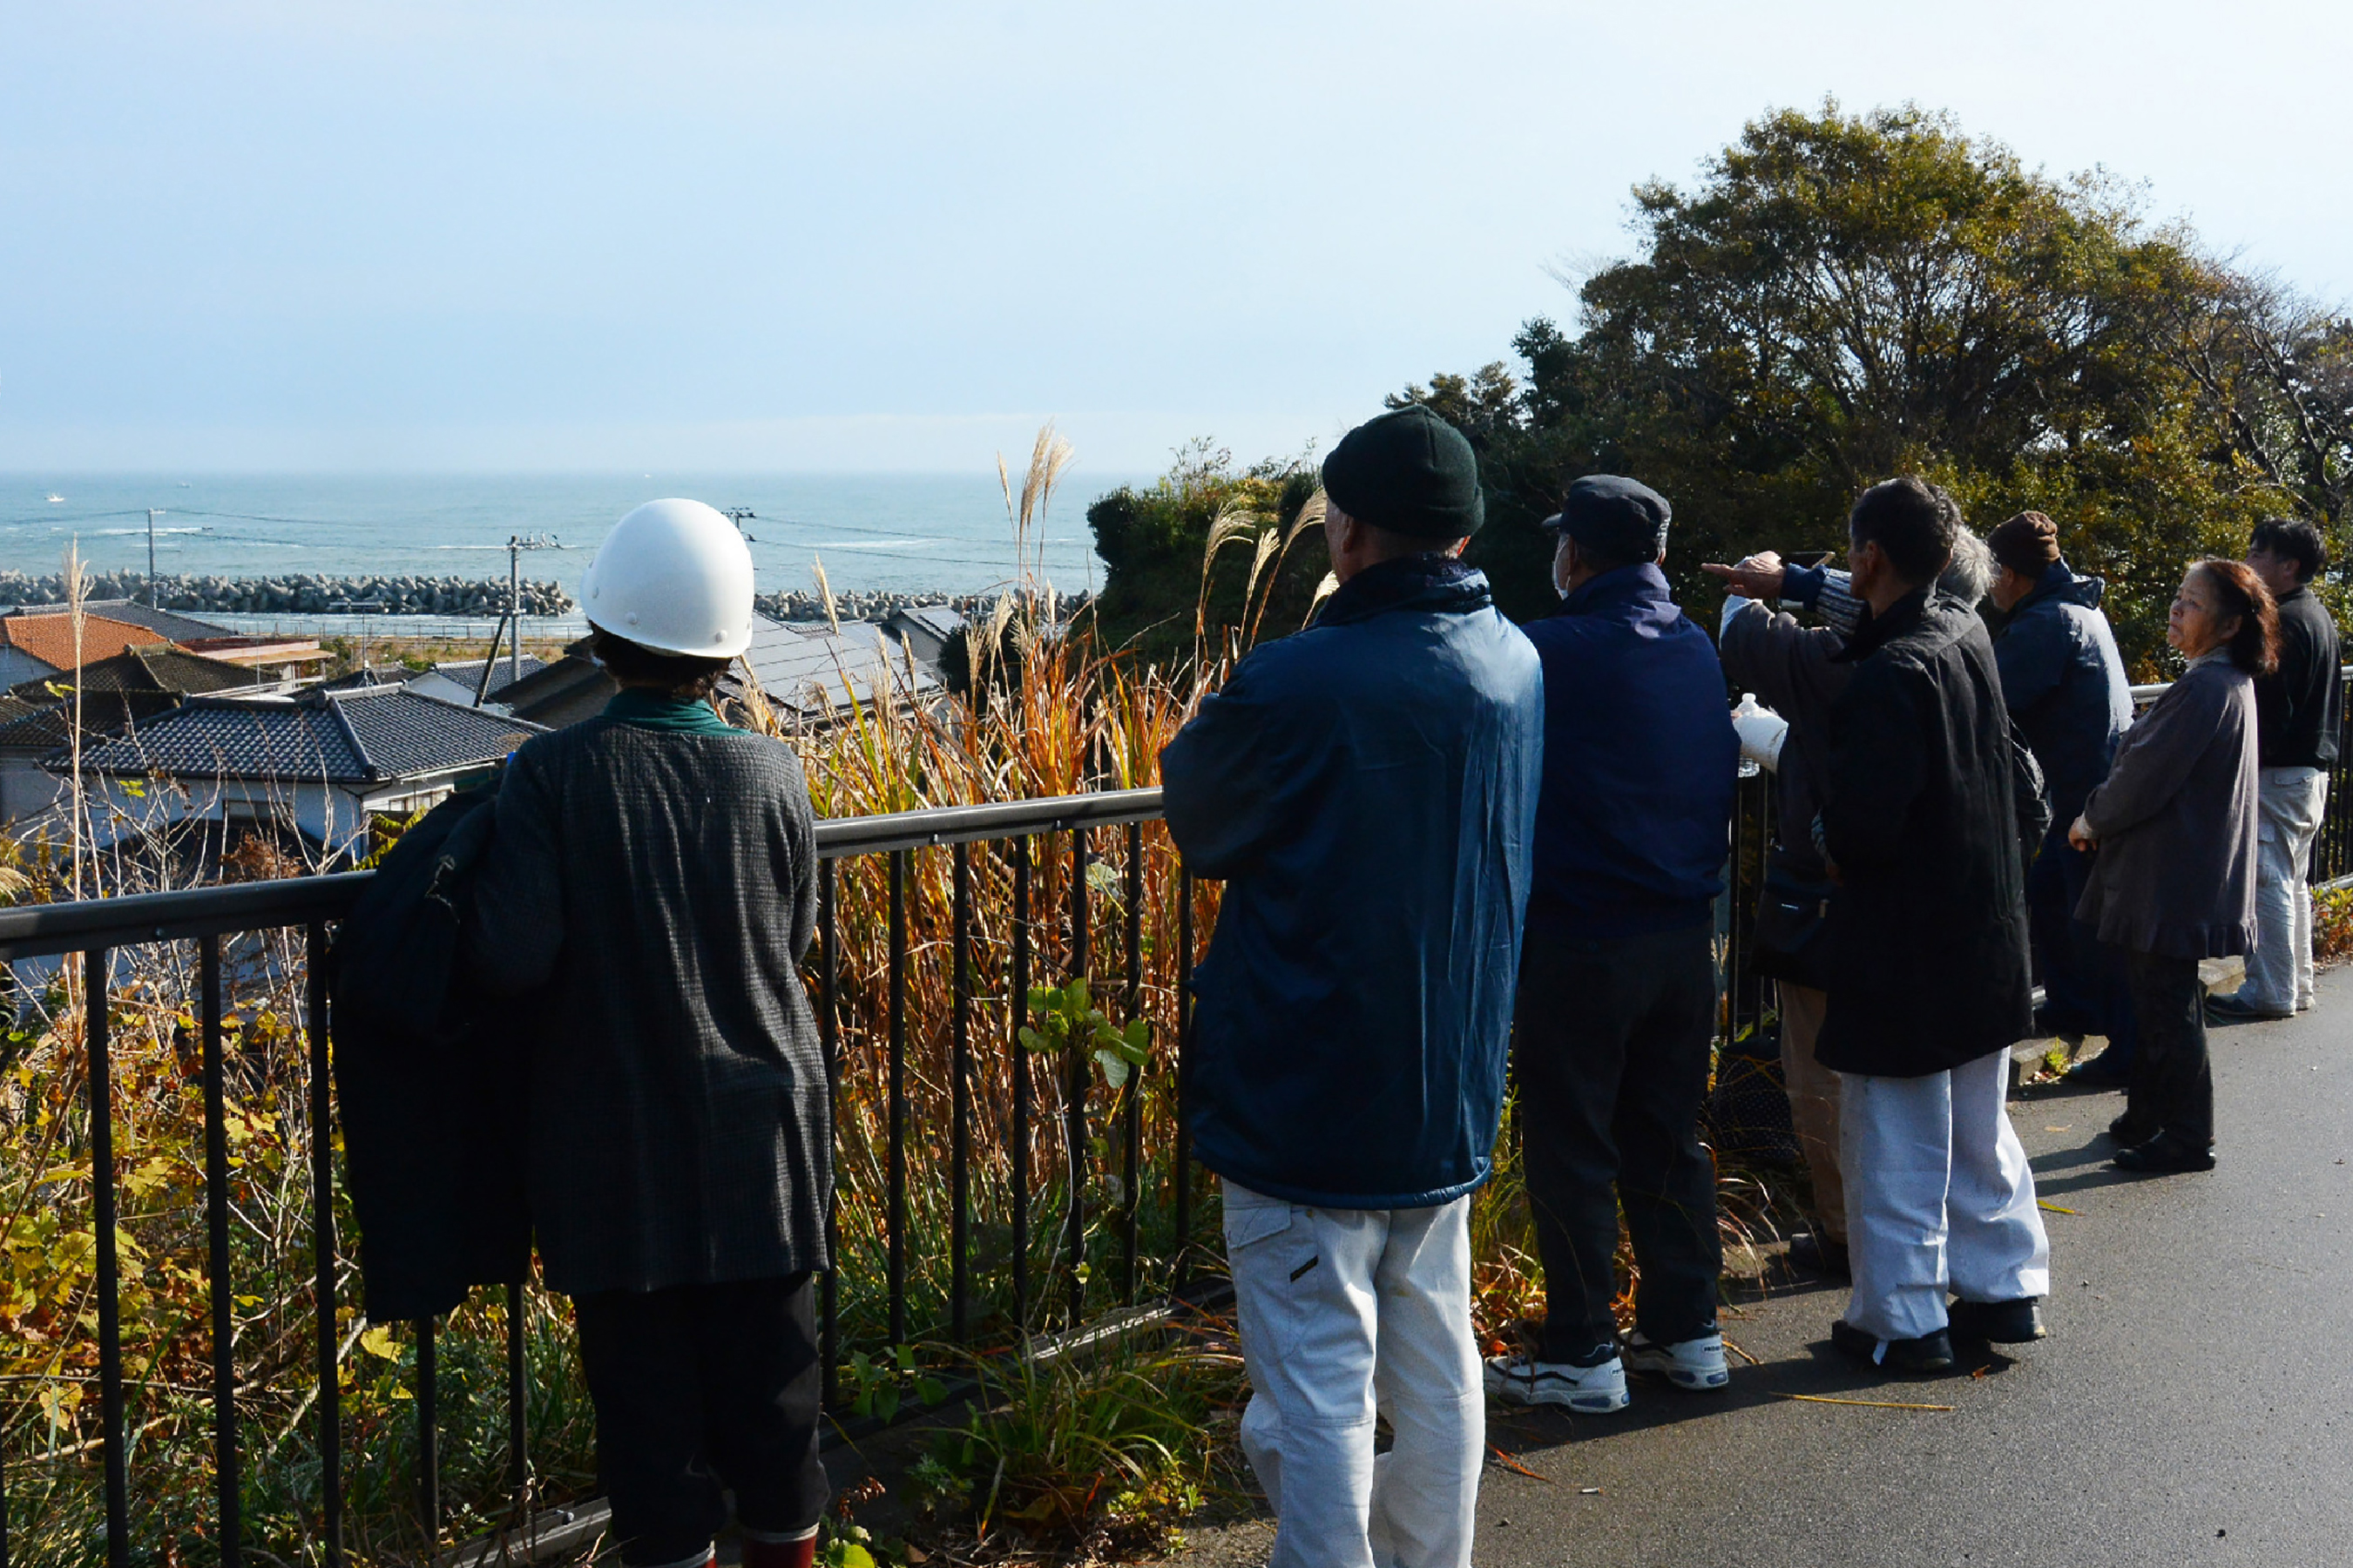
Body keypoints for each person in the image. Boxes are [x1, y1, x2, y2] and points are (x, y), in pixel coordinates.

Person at [1160, 403, 1543, 1568]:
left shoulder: (1300, 680)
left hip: (1306, 1084)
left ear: (1350, 535)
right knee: (1434, 1356)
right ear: (1465, 539)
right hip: (1448, 1086)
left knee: (1320, 1382)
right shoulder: (1515, 663)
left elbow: (1199, 809)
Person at [466, 500, 831, 1568]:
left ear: (601, 636)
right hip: (767, 1136)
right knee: (778, 1411)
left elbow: (511, 958)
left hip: (615, 1142)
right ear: (727, 652)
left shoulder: (552, 776)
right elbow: (792, 935)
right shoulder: (774, 773)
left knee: (651, 1429)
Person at [1482, 476, 1740, 1414]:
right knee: (1668, 1140)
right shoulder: (1694, 647)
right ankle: (1688, 1333)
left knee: (1571, 1142)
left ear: (1575, 556)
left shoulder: (1547, 651)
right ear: (1660, 558)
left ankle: (1581, 1351)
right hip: (1683, 939)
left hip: (1581, 935)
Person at [1705, 531, 2000, 1283]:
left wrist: (1759, 578)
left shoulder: (1846, 663)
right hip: (1951, 913)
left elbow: (1739, 631)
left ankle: (1852, 1240)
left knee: (1825, 1079)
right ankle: (1963, 1261)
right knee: (1946, 1100)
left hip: (1831, 909)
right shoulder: (1966, 645)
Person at [1816, 478, 2049, 1374]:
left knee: (1897, 1138)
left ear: (1869, 555)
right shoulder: (1968, 633)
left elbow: (1863, 831)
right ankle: (2003, 1289)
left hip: (1907, 943)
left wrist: (1818, 833)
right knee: (1976, 1127)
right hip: (1984, 924)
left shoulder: (1891, 673)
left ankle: (1900, 1321)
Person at [2070, 560, 2275, 1172]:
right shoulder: (2219, 682)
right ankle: (2150, 1118)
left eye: (2190, 602)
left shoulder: (2204, 687)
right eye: (2177, 597)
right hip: (2179, 869)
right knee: (2160, 1000)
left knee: (2167, 1005)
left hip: (2171, 876)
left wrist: (2091, 819)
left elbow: (2144, 775)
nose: (2175, 610)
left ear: (2229, 623)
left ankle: (2186, 1135)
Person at [1981, 513, 2138, 1077]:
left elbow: (1984, 700)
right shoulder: (2077, 610)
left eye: (1989, 573)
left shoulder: (2046, 624)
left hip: (2083, 801)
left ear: (2011, 573)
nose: (1985, 586)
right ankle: (2074, 1008)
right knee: (2050, 895)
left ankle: (2125, 1051)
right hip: (2091, 792)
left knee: (2094, 926)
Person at [2211, 518, 2340, 1022]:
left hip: (2280, 774)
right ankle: (2296, 985)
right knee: (2292, 881)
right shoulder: (2317, 615)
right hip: (2310, 773)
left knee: (2267, 880)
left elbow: (2274, 711)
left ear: (2288, 566)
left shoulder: (2282, 621)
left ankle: (2269, 992)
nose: (2248, 560)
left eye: (2258, 554)